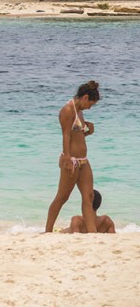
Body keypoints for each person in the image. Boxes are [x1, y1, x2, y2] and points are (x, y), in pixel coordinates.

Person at [45, 80, 100, 233]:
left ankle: (92, 233)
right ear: (85, 97)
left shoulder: (80, 112)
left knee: (88, 196)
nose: (90, 107)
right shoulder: (68, 110)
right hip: (72, 161)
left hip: (83, 161)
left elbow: (77, 136)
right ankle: (47, 230)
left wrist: (88, 132)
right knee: (62, 197)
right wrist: (68, 159)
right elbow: (66, 136)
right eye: (91, 103)